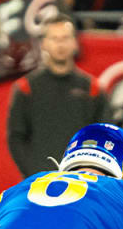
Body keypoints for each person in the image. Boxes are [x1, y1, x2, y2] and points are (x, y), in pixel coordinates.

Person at [7, 15, 110, 178]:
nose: (60, 44)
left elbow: (105, 137)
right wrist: (33, 173)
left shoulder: (93, 89)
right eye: (54, 38)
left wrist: (89, 172)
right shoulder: (26, 88)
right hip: (39, 182)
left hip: (83, 182)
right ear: (44, 44)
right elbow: (16, 137)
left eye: (65, 38)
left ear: (75, 43)